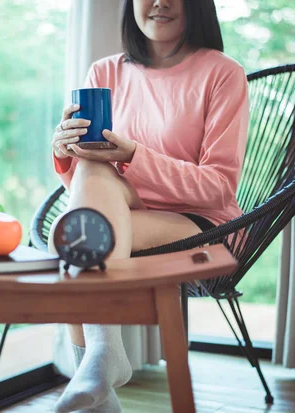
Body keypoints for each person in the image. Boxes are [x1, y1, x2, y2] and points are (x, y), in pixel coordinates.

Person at [48, 0, 249, 412]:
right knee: (83, 200)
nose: (160, 2)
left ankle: (98, 361)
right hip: (122, 212)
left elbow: (219, 188)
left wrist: (135, 155)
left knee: (70, 239)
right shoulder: (105, 71)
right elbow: (86, 188)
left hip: (203, 223)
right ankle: (102, 367)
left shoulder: (223, 73)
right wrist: (66, 153)